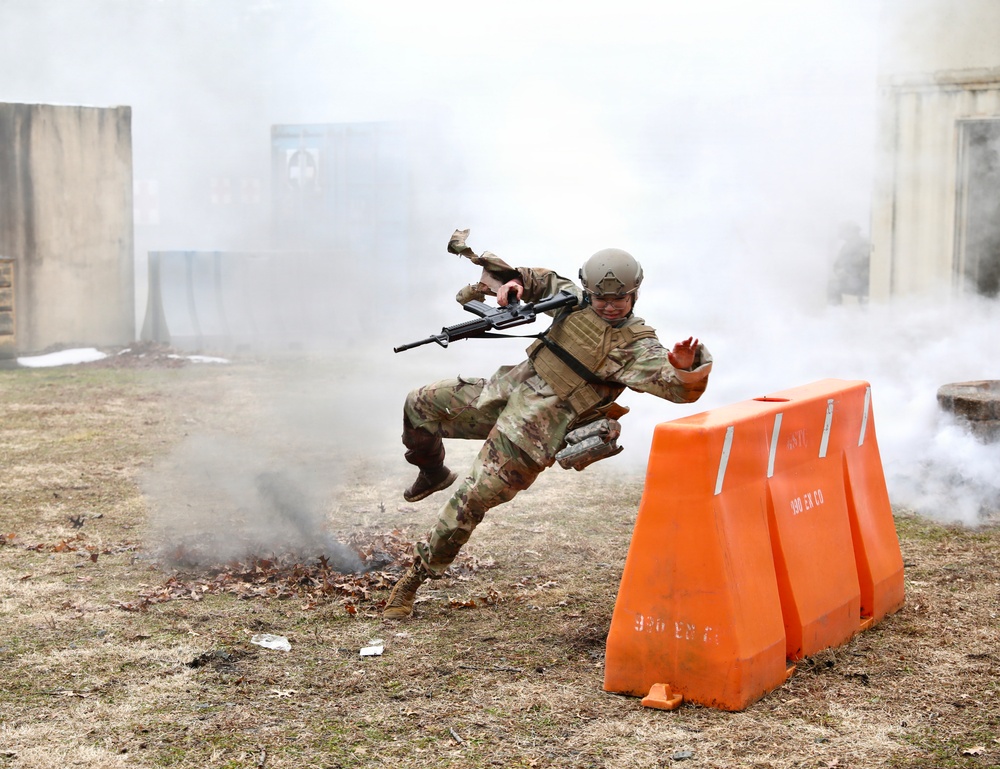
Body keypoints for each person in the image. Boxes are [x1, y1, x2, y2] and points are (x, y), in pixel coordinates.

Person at [383, 230, 713, 619]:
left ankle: (414, 579)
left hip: (534, 432)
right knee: (419, 404)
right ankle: (433, 472)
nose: (609, 307)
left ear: (635, 294)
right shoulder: (572, 300)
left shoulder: (636, 345)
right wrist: (511, 285)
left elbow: (678, 389)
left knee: (470, 499)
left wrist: (684, 366)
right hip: (505, 392)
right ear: (589, 291)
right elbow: (536, 279)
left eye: (618, 299)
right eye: (601, 298)